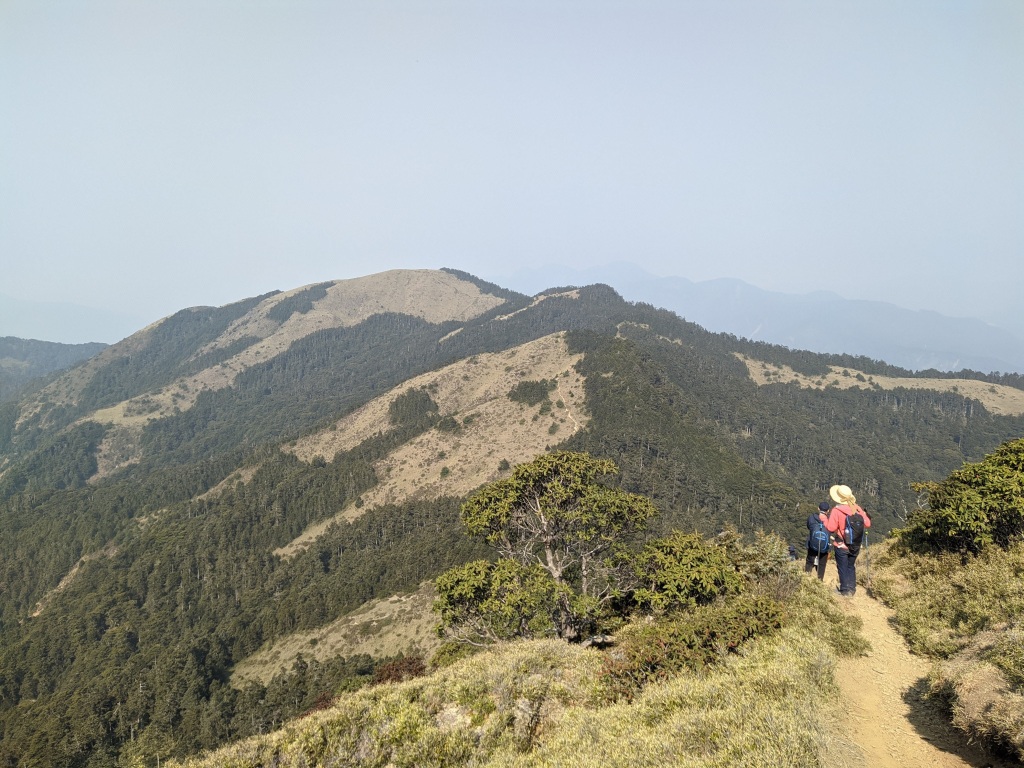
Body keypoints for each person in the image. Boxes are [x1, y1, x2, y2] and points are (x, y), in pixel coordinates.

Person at [824, 484, 871, 596]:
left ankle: (845, 590)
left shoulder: (837, 510)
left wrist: (825, 520)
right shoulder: (857, 509)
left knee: (842, 566)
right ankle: (852, 588)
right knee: (851, 565)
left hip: (841, 543)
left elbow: (831, 528)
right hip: (856, 544)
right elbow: (868, 524)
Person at [804, 501, 832, 580]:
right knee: (822, 564)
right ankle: (819, 581)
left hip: (812, 544)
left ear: (818, 508)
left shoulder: (812, 517)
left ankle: (806, 578)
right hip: (824, 546)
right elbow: (832, 530)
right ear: (828, 510)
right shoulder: (829, 520)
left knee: (809, 561)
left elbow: (809, 527)